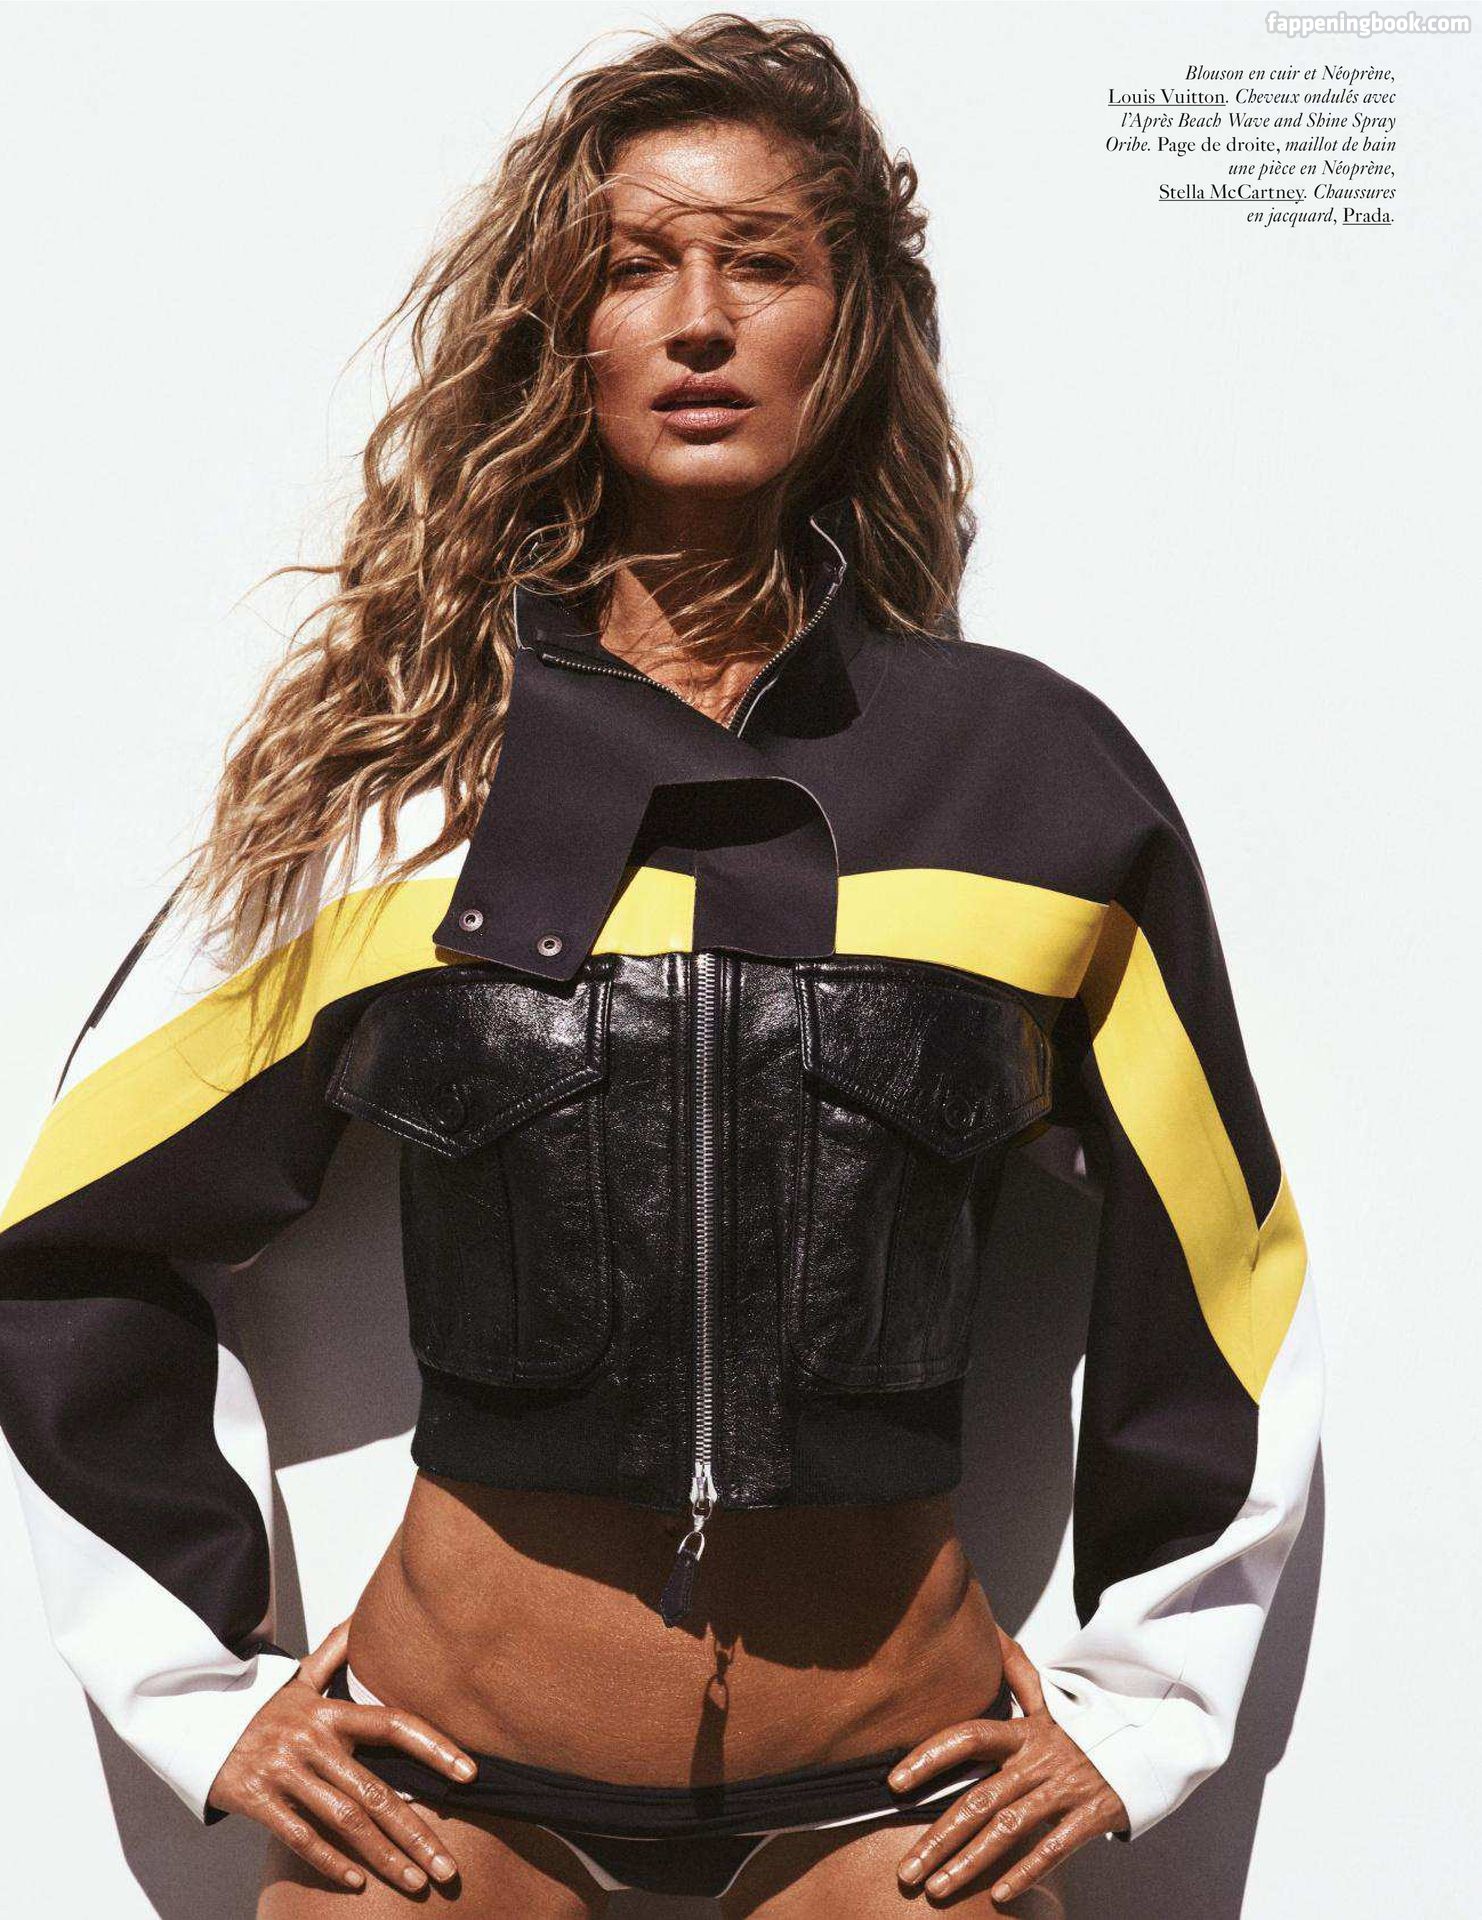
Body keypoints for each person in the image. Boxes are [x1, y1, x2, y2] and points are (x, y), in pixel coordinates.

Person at [0, 16, 1323, 1917]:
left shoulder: (1029, 782)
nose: (698, 321)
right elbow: (71, 1242)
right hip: (451, 1795)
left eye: (760, 262)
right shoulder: (408, 788)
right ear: (566, 329)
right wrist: (201, 1696)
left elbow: (1219, 1267)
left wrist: (1142, 1709)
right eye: (635, 267)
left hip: (888, 1801)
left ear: (850, 322)